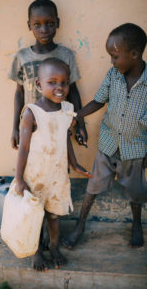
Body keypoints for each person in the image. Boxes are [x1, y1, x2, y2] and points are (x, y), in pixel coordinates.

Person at [62, 23, 147, 250]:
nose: (112, 62)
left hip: (135, 150)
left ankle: (137, 224)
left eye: (115, 56)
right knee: (93, 187)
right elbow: (99, 100)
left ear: (134, 54)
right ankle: (80, 225)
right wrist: (77, 116)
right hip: (108, 145)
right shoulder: (113, 75)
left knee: (135, 192)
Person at [15, 58, 92, 271]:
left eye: (64, 83)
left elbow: (64, 137)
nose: (59, 87)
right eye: (52, 82)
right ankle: (36, 252)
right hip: (36, 177)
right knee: (35, 217)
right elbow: (23, 148)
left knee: (54, 215)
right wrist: (19, 178)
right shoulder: (31, 112)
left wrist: (74, 163)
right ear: (39, 85)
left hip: (58, 175)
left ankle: (54, 246)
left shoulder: (67, 109)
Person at [9, 0, 87, 149]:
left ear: (58, 23)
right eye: (37, 25)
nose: (43, 29)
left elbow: (73, 92)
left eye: (50, 23)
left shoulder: (66, 55)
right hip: (31, 126)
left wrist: (81, 126)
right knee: (32, 167)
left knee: (59, 163)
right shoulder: (22, 57)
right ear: (29, 25)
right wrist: (15, 128)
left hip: (60, 125)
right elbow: (19, 93)